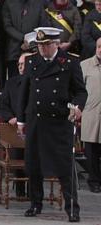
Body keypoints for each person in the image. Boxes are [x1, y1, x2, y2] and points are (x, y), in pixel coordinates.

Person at [17, 27, 88, 223]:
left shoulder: (70, 62)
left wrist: (78, 106)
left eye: (46, 45)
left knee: (65, 168)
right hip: (36, 120)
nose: (42, 49)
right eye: (40, 45)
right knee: (33, 165)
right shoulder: (32, 61)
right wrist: (21, 120)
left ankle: (72, 208)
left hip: (59, 122)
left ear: (56, 44)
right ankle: (35, 203)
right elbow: (25, 92)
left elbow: (80, 91)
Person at [0, 52, 32, 197]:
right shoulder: (11, 83)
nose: (20, 67)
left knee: (33, 158)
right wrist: (10, 118)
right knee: (17, 154)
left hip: (34, 128)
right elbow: (3, 106)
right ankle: (19, 189)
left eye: (23, 64)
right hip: (15, 130)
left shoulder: (38, 82)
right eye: (19, 64)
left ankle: (34, 191)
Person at [3, 0, 49, 79]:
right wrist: (22, 38)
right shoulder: (9, 3)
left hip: (34, 51)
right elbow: (7, 26)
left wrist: (31, 42)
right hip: (14, 52)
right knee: (15, 82)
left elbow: (43, 26)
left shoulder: (39, 3)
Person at [79, 37, 101, 193]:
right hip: (91, 114)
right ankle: (93, 180)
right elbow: (78, 91)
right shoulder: (84, 65)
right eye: (99, 46)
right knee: (91, 151)